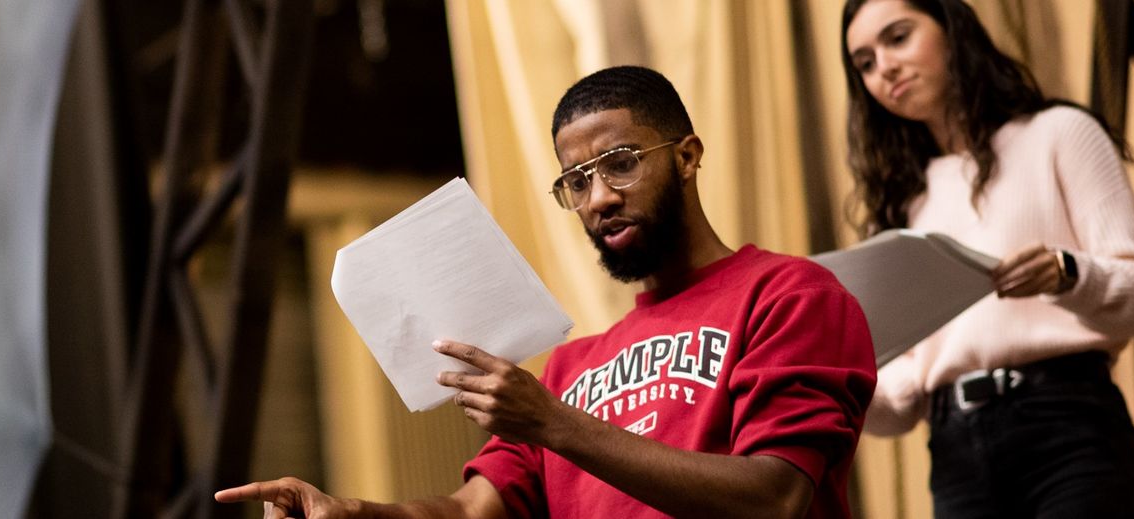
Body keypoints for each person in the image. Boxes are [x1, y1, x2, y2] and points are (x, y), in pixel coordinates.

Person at [215, 66, 877, 518]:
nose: (601, 198)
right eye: (577, 182)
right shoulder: (566, 369)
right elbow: (470, 510)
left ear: (687, 155)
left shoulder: (788, 294)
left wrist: (553, 422)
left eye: (621, 163)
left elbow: (776, 497)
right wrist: (351, 511)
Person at [841, 0, 1134, 517]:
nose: (884, 67)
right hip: (953, 453)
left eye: (898, 37)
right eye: (864, 63)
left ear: (953, 30)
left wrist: (1067, 274)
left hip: (1069, 430)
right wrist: (842, 382)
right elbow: (902, 400)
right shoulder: (898, 204)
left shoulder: (1059, 133)